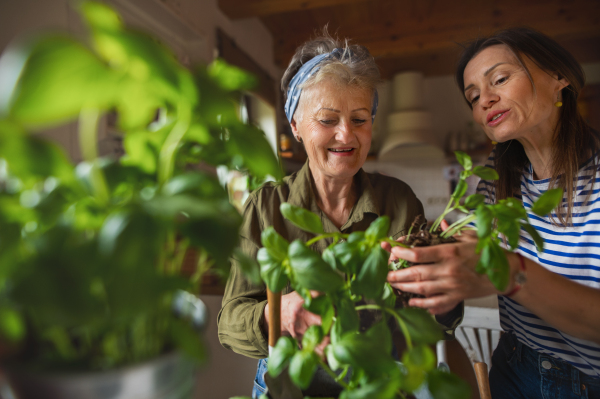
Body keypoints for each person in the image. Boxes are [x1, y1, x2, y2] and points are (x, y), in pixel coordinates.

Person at [217, 33, 462, 398]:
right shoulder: (266, 207)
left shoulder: (399, 200)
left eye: (359, 119)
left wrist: (445, 290)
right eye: (328, 119)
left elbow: (432, 324)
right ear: (296, 127)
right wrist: (278, 314)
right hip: (292, 383)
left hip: (378, 382)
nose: (345, 134)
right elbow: (229, 324)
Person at [387, 27, 600, 398]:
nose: (484, 100)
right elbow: (479, 258)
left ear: (558, 78)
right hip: (513, 367)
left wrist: (508, 273)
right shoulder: (498, 182)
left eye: (499, 79)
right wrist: (435, 266)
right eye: (473, 96)